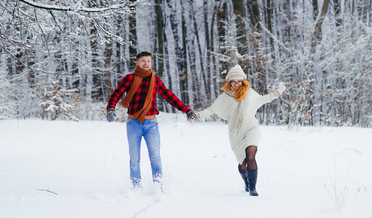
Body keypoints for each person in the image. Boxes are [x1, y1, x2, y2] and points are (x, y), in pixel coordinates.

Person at [106, 51, 198, 188]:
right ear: (137, 63)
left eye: (148, 61)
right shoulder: (129, 79)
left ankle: (158, 186)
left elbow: (169, 96)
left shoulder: (155, 80)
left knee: (155, 157)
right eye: (143, 61)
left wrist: (187, 110)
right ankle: (136, 187)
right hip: (133, 124)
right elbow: (116, 94)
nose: (146, 63)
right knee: (134, 159)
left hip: (151, 124)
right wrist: (110, 109)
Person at [196, 65, 286, 196]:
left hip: (251, 128)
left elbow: (263, 99)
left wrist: (277, 92)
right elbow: (212, 109)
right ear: (229, 82)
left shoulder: (250, 93)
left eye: (239, 81)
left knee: (251, 156)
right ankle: (246, 182)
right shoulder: (225, 97)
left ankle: (253, 188)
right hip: (236, 133)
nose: (236, 84)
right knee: (242, 164)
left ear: (243, 81)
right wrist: (198, 115)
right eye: (233, 81)